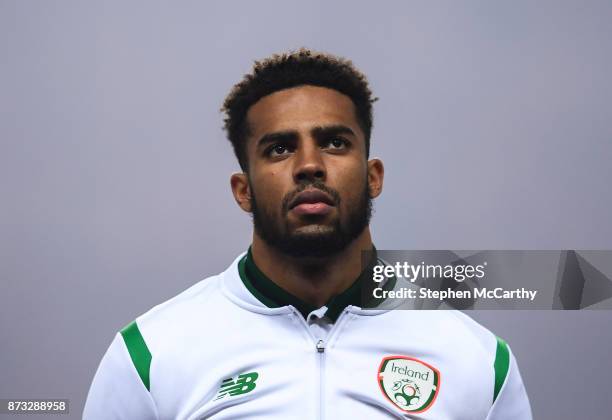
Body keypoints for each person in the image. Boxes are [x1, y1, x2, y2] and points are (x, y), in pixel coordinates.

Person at [83, 49, 532, 419]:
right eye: (280, 148)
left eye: (335, 143)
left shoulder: (477, 359)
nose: (309, 165)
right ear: (244, 190)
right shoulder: (150, 355)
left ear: (373, 176)